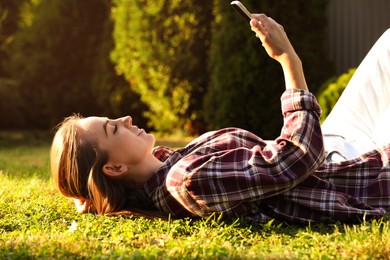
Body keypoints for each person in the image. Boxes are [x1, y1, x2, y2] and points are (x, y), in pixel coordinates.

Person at [50, 13, 390, 224]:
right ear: (115, 168)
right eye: (112, 128)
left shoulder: (169, 165)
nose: (125, 118)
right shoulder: (186, 182)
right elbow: (294, 159)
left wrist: (92, 198)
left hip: (334, 144)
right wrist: (290, 61)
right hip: (353, 173)